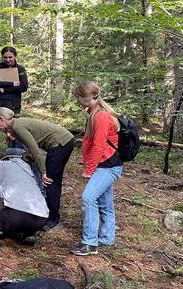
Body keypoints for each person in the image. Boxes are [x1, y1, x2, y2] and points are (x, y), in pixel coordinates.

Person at [0, 107, 74, 230]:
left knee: (50, 182)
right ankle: (49, 213)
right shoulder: (16, 125)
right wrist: (29, 154)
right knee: (51, 181)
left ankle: (53, 219)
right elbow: (33, 143)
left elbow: (35, 150)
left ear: (1, 119)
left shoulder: (18, 126)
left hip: (61, 143)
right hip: (63, 141)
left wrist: (43, 172)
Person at [70, 81, 123, 256]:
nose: (78, 100)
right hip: (106, 165)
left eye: (80, 97)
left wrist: (89, 169)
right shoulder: (94, 113)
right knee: (104, 203)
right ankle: (107, 238)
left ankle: (89, 243)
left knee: (88, 198)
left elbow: (99, 145)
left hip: (108, 166)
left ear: (89, 97)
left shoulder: (101, 116)